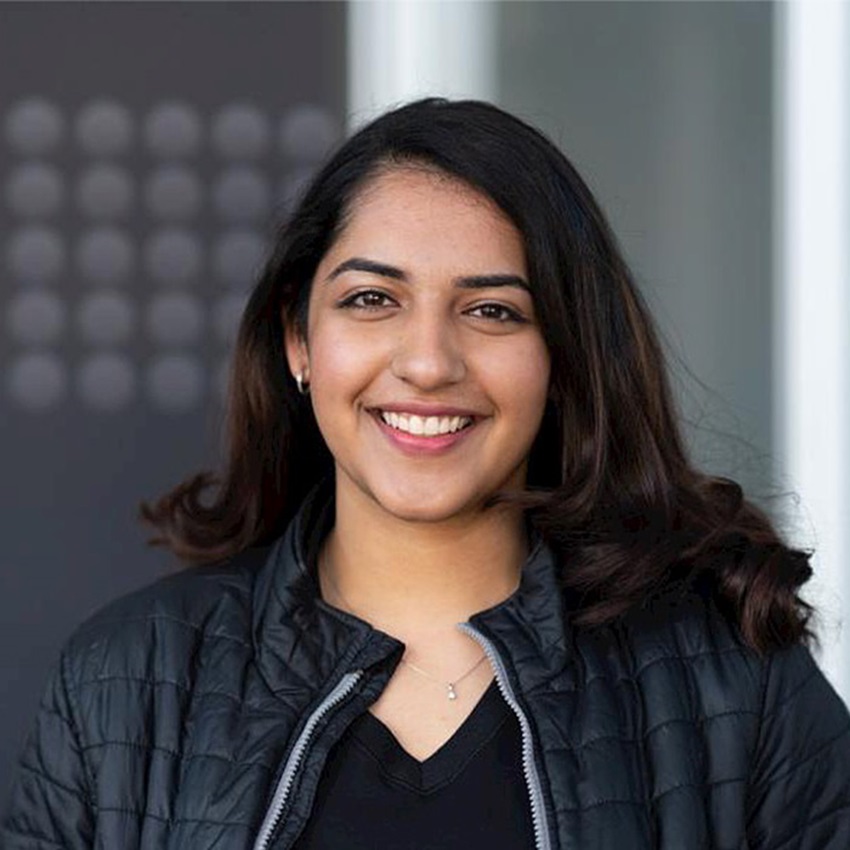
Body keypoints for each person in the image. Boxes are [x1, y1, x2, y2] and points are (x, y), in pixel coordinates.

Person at [3, 98, 850, 850]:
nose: (429, 363)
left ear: (564, 357)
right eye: (373, 300)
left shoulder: (734, 683)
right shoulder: (124, 682)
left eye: (492, 311)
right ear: (299, 339)